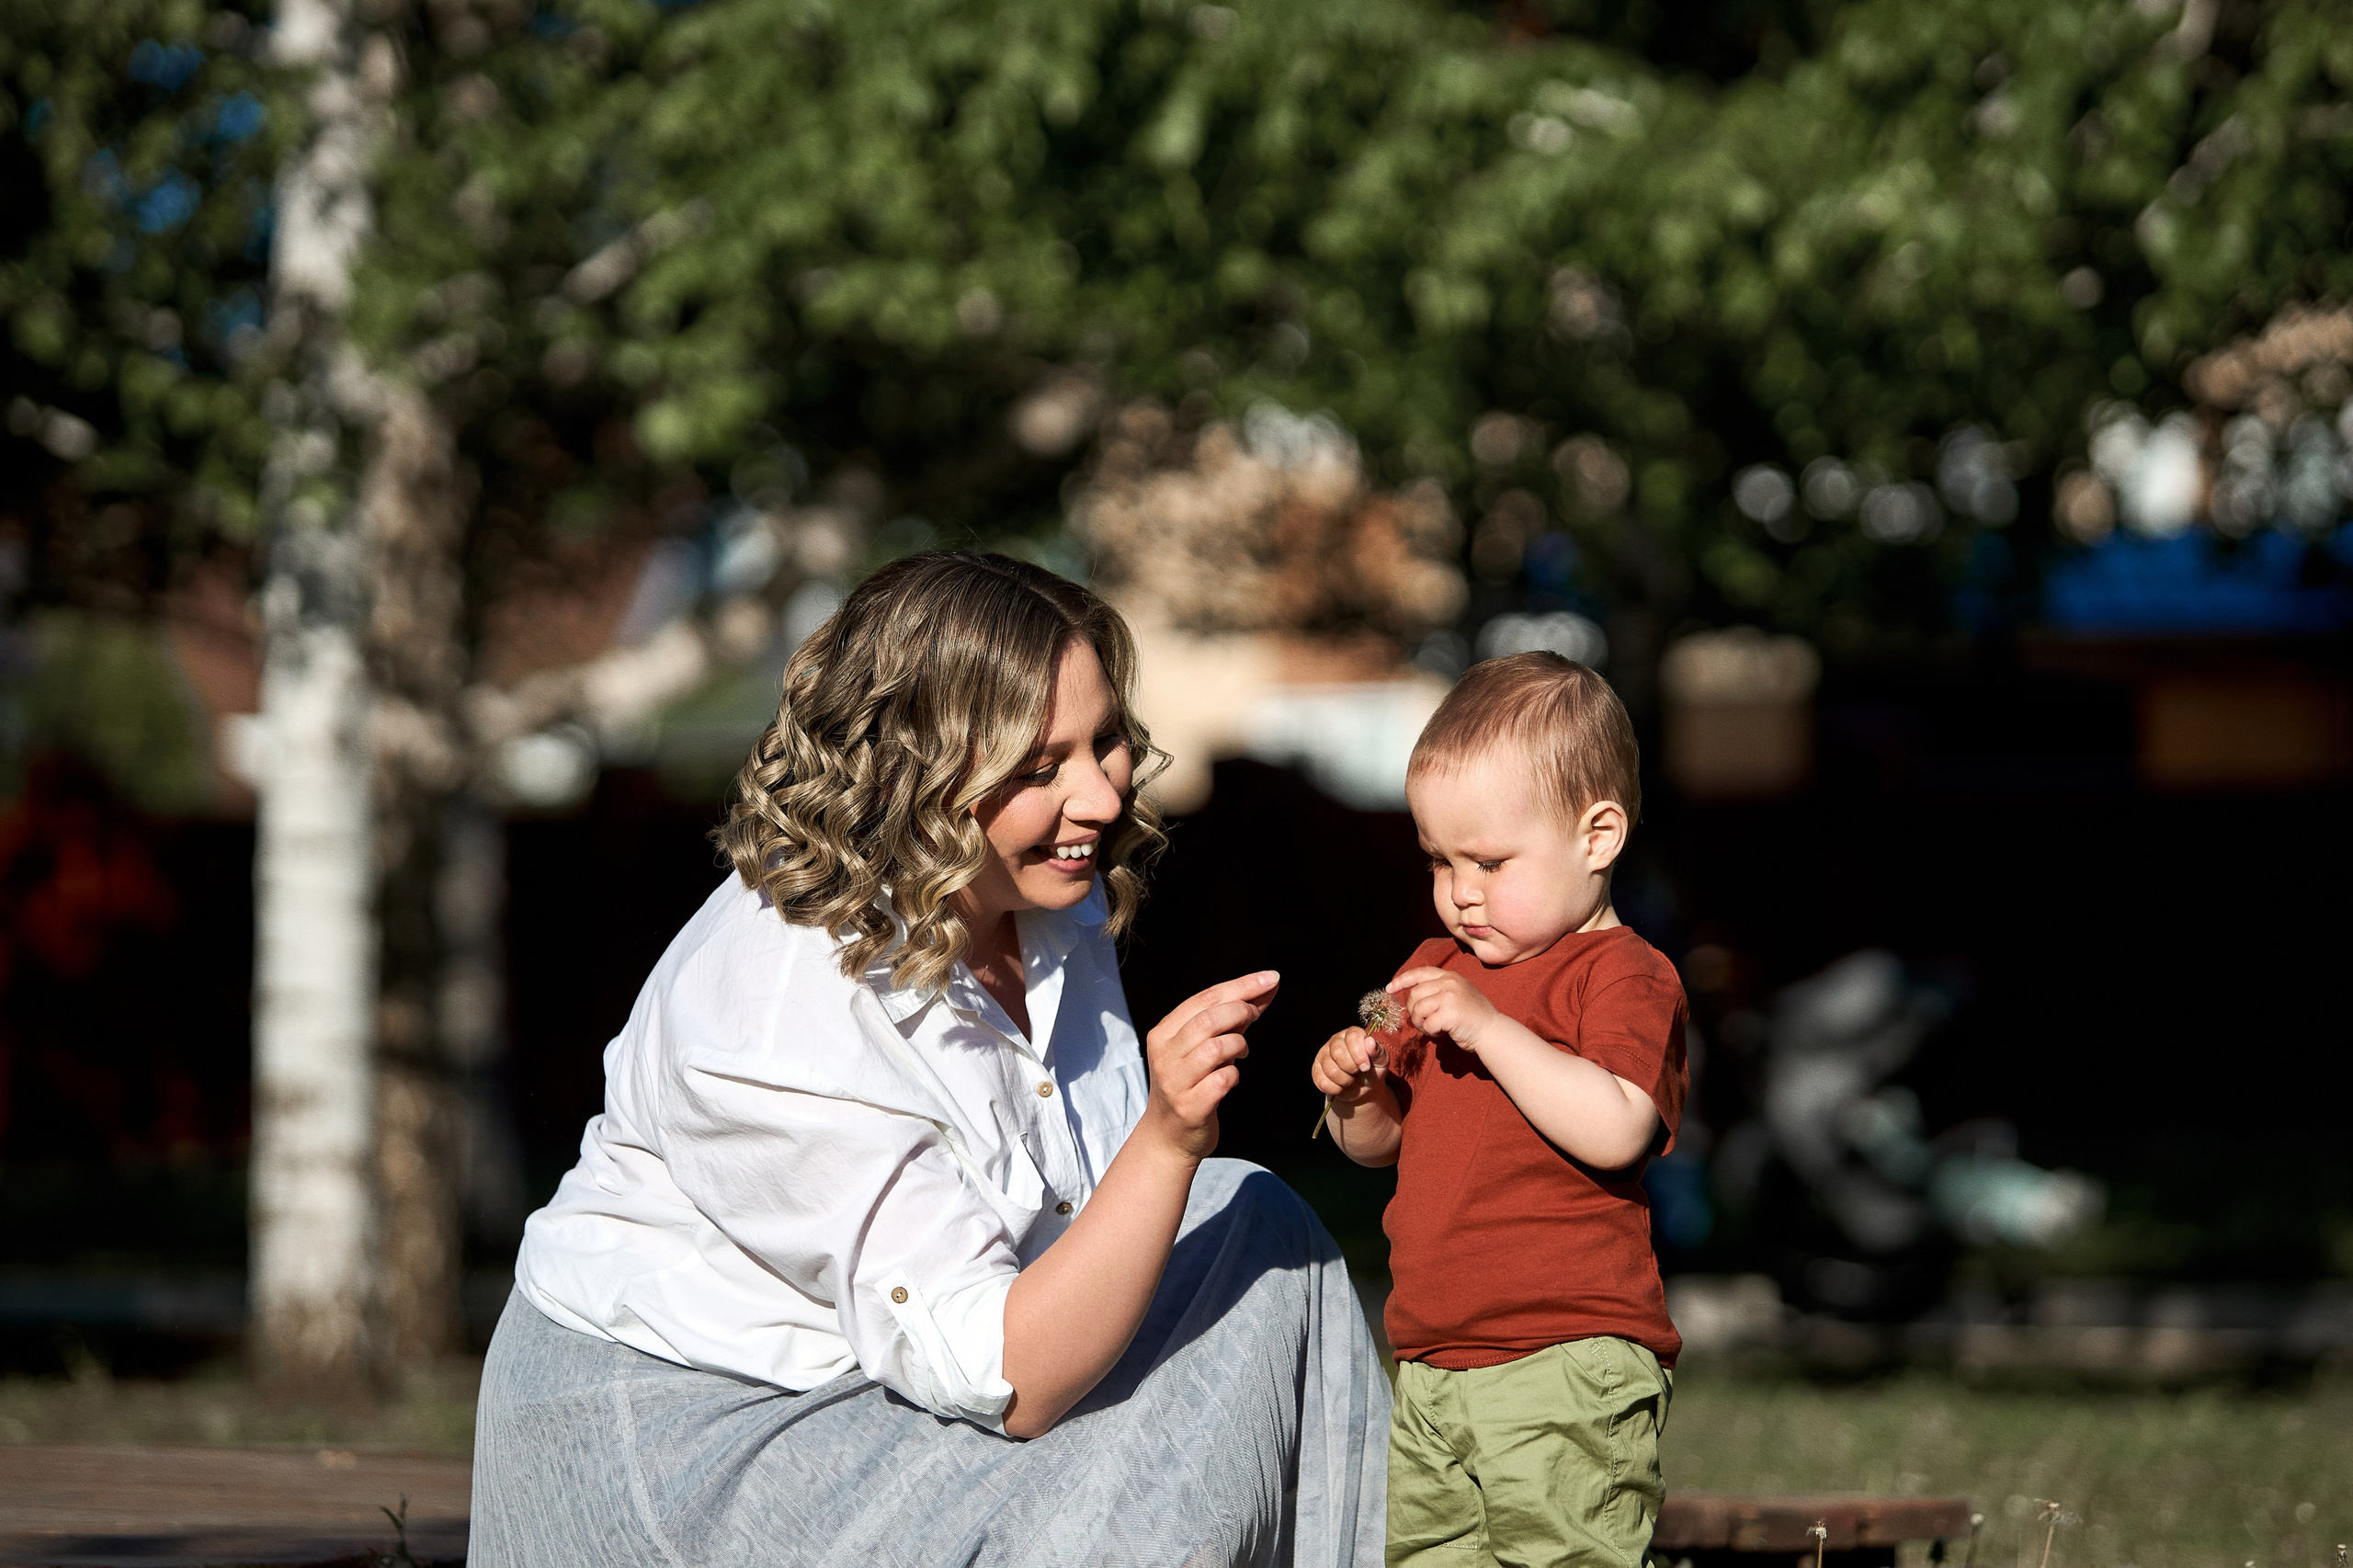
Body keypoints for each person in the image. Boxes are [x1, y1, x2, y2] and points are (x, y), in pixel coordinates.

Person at [472, 551, 1390, 1567]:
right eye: (1040, 767)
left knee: (1260, 1231)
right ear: (917, 771)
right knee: (1160, 1407)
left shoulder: (1041, 896)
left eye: (1106, 743)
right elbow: (1009, 1374)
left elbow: (1068, 1231)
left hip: (897, 1383)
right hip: (691, 1457)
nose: (1097, 796)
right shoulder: (776, 1009)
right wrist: (1166, 1140)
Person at [1309, 653, 1688, 1568]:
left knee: (1565, 1551)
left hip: (1566, 1353)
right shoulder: (1437, 968)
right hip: (1434, 1355)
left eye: (1487, 860)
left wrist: (1488, 1029)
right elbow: (1384, 1146)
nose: (1460, 890)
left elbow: (1616, 1123)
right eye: (1439, 859)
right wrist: (1354, 1097)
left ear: (1596, 837)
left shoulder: (1622, 972)